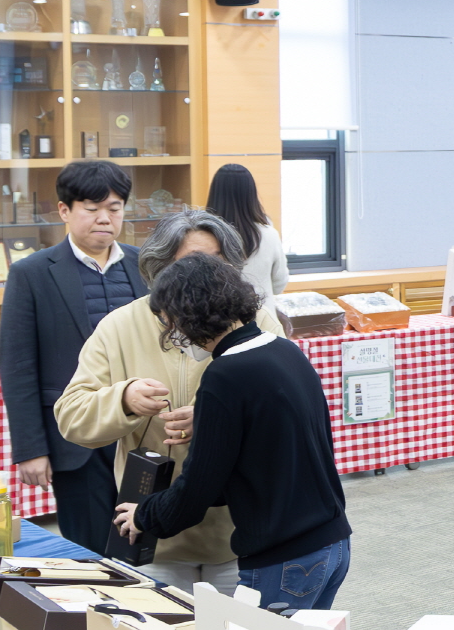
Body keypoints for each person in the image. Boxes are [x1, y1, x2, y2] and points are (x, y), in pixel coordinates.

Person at [54, 210, 282, 592]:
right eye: (190, 264)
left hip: (239, 534)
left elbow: (284, 411)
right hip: (152, 534)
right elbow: (71, 417)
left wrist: (217, 420)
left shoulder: (256, 320)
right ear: (159, 269)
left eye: (216, 263)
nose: (204, 276)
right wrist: (123, 399)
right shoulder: (120, 325)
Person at [113, 256, 351, 609]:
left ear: (188, 316)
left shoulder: (225, 376)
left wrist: (144, 515)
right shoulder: (284, 350)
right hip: (332, 541)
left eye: (171, 323)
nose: (174, 335)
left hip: (281, 555)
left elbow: (198, 488)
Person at [0, 160, 147, 554]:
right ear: (64, 210)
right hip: (74, 437)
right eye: (92, 208)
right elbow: (17, 367)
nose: (105, 218)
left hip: (139, 430)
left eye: (114, 208)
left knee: (145, 541)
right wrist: (31, 449)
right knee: (89, 547)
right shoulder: (31, 273)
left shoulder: (146, 264)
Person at [207, 162, 289, 299]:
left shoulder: (201, 237)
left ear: (214, 194)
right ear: (251, 194)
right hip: (261, 317)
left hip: (216, 317)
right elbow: (279, 284)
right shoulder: (269, 235)